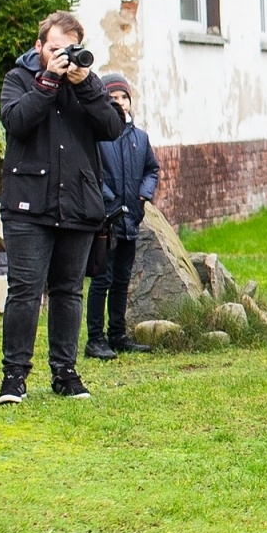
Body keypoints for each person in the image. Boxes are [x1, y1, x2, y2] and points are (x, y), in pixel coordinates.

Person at [0, 11, 125, 404]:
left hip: (78, 203)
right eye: (54, 49)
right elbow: (17, 121)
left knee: (69, 291)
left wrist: (84, 86)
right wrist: (48, 80)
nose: (62, 56)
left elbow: (113, 127)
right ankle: (14, 377)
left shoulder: (88, 83)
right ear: (39, 47)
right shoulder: (18, 79)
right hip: (27, 205)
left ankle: (65, 373)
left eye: (68, 50)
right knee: (25, 291)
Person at [85, 73, 159, 361]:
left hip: (131, 221)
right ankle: (95, 339)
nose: (119, 103)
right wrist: (108, 199)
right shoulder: (98, 136)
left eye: (123, 97)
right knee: (101, 280)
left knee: (121, 281)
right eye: (112, 98)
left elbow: (152, 169)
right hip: (106, 222)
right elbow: (92, 171)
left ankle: (117, 334)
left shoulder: (139, 138)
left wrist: (143, 195)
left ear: (130, 101)